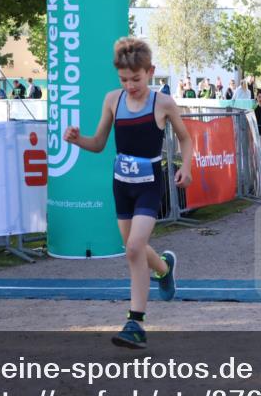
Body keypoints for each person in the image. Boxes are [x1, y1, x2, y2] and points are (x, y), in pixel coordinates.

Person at [63, 37, 193, 350]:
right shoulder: (113, 100)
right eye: (124, 79)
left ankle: (135, 322)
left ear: (150, 72)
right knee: (133, 247)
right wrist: (77, 140)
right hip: (122, 184)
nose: (130, 85)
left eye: (136, 79)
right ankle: (164, 268)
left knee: (134, 247)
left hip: (150, 184)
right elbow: (98, 144)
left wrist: (186, 168)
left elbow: (186, 139)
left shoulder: (162, 103)